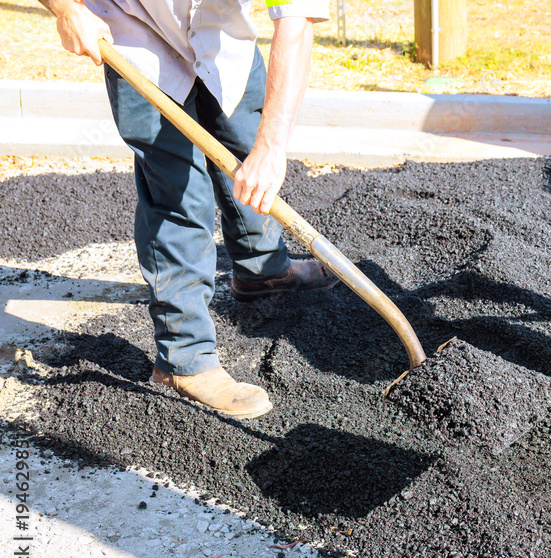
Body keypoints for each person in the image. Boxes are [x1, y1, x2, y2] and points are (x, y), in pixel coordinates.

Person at [40, 0, 338, 419]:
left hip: (223, 36)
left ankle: (261, 269)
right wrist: (65, 8)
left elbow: (297, 21)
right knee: (179, 194)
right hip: (135, 36)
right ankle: (184, 359)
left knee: (249, 145)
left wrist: (272, 146)